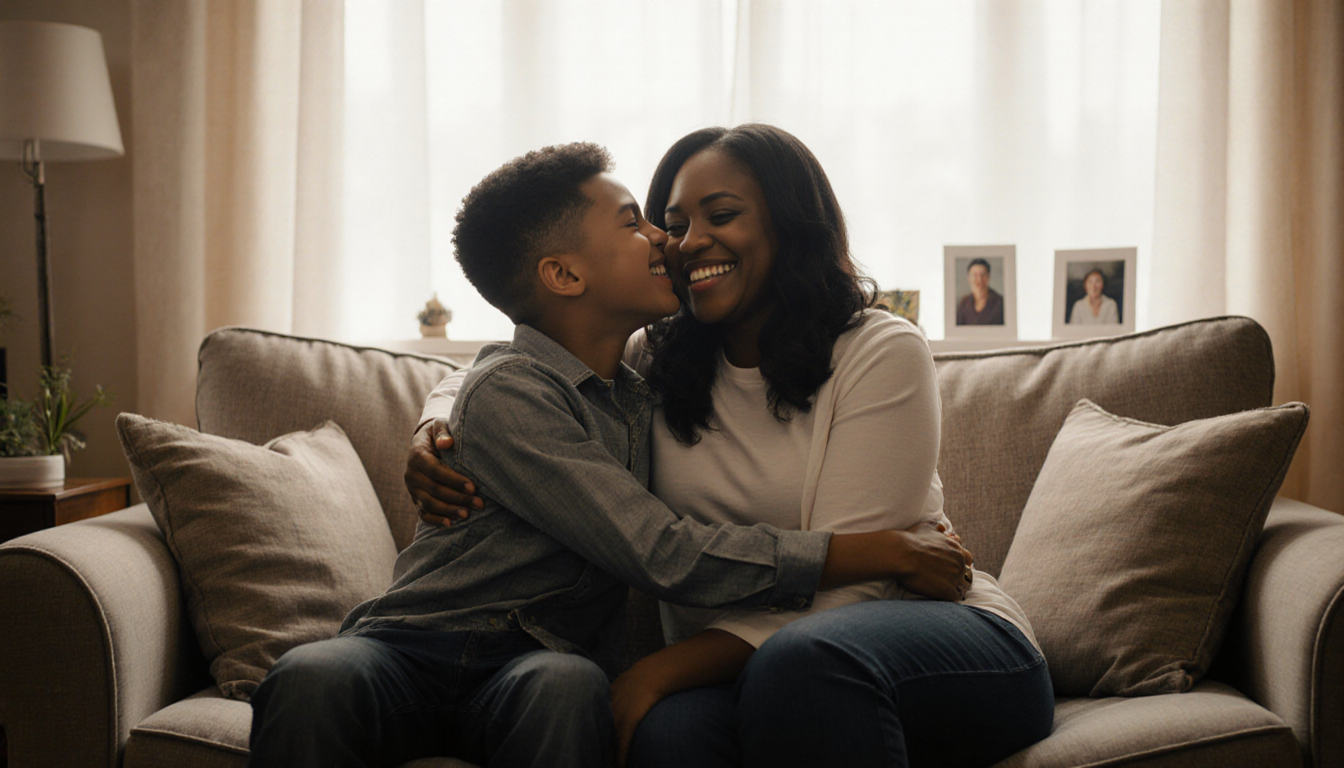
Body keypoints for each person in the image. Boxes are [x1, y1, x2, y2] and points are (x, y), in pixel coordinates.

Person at [250, 143, 972, 768]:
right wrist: (882, 551)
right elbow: (659, 549)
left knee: (568, 689)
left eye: (705, 220)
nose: (671, 241)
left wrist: (445, 412)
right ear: (565, 276)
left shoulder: (642, 383)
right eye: (643, 223)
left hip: (543, 659)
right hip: (414, 643)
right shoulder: (555, 387)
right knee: (312, 674)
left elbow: (498, 374)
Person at [413, 126, 1053, 768]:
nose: (686, 242)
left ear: (789, 225)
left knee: (803, 663)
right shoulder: (654, 363)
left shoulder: (879, 350)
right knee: (670, 738)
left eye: (722, 216)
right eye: (672, 224)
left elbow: (852, 593)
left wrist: (658, 671)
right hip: (751, 669)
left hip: (935, 640)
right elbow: (513, 374)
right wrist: (436, 427)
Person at [955, 257, 1004, 325]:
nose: (979, 280)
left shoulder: (1000, 303)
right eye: (975, 275)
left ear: (988, 277)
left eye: (983, 275)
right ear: (968, 278)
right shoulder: (963, 304)